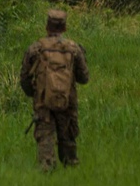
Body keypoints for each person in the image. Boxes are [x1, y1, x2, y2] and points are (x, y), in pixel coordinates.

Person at [20, 9, 90, 171]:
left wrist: (35, 93)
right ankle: (71, 170)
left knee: (45, 139)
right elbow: (84, 78)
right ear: (64, 28)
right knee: (68, 140)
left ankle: (46, 171)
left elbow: (24, 79)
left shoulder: (36, 48)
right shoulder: (74, 49)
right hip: (68, 101)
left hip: (43, 102)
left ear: (47, 27)